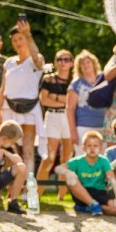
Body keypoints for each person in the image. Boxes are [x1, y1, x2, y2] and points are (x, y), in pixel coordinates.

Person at [0, 19, 44, 171]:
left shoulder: (35, 60)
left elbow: (37, 60)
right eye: (14, 40)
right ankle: (11, 182)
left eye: (20, 38)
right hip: (9, 108)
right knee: (10, 150)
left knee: (28, 151)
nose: (18, 42)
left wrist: (28, 34)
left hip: (29, 109)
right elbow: (3, 88)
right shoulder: (9, 62)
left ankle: (28, 183)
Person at [57, 131, 116, 216]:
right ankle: (92, 204)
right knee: (71, 179)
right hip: (82, 192)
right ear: (83, 147)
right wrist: (67, 172)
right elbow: (58, 169)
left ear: (100, 148)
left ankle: (89, 208)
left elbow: (113, 180)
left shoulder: (104, 161)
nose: (92, 148)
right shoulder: (77, 161)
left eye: (95, 146)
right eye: (89, 145)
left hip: (99, 192)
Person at [36, 49, 74, 198]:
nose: (63, 63)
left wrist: (56, 97)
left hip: (69, 118)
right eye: (59, 59)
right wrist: (65, 101)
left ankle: (61, 196)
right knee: (49, 157)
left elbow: (75, 102)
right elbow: (44, 100)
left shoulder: (74, 81)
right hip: (52, 117)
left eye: (66, 59)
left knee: (67, 159)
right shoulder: (48, 79)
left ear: (71, 63)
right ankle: (37, 195)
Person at [65, 50, 106, 154]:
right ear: (79, 67)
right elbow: (70, 109)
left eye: (88, 62)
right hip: (83, 127)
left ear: (93, 63)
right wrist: (73, 132)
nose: (86, 65)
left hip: (103, 126)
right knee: (84, 159)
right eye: (82, 63)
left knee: (103, 159)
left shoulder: (104, 80)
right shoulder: (76, 84)